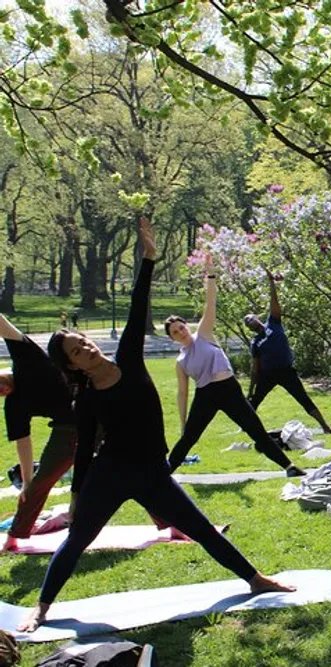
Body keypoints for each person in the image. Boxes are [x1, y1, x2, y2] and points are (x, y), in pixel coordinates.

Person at [18, 216, 292, 634]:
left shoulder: (127, 356)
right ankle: (41, 606)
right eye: (78, 350)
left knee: (199, 527)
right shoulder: (88, 398)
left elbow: (136, 303)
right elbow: (86, 447)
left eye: (84, 341)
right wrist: (76, 497)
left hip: (152, 472)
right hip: (110, 473)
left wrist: (147, 258)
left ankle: (255, 579)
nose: (87, 347)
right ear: (72, 364)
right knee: (77, 540)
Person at [165, 256, 303, 476]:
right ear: (172, 339)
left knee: (255, 430)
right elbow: (182, 394)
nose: (180, 332)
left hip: (228, 389)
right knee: (189, 438)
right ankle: (165, 472)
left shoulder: (204, 334)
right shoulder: (181, 361)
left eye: (181, 327)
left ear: (186, 326)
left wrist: (210, 275)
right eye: (175, 332)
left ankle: (289, 467)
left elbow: (210, 304)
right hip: (205, 395)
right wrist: (182, 423)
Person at [0, 314, 76, 552]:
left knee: (134, 470)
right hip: (68, 427)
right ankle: (15, 536)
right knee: (39, 483)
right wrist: (27, 482)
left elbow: (3, 325)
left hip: (97, 408)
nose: (2, 390)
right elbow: (23, 444)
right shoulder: (13, 405)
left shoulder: (25, 358)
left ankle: (171, 523)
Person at [244, 271, 331, 434]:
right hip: (268, 375)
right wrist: (250, 390)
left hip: (286, 371)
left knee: (303, 398)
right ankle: (245, 426)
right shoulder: (255, 342)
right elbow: (255, 369)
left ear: (257, 317)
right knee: (255, 401)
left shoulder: (273, 323)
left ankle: (325, 426)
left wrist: (271, 283)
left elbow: (274, 304)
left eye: (250, 318)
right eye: (247, 323)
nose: (250, 322)